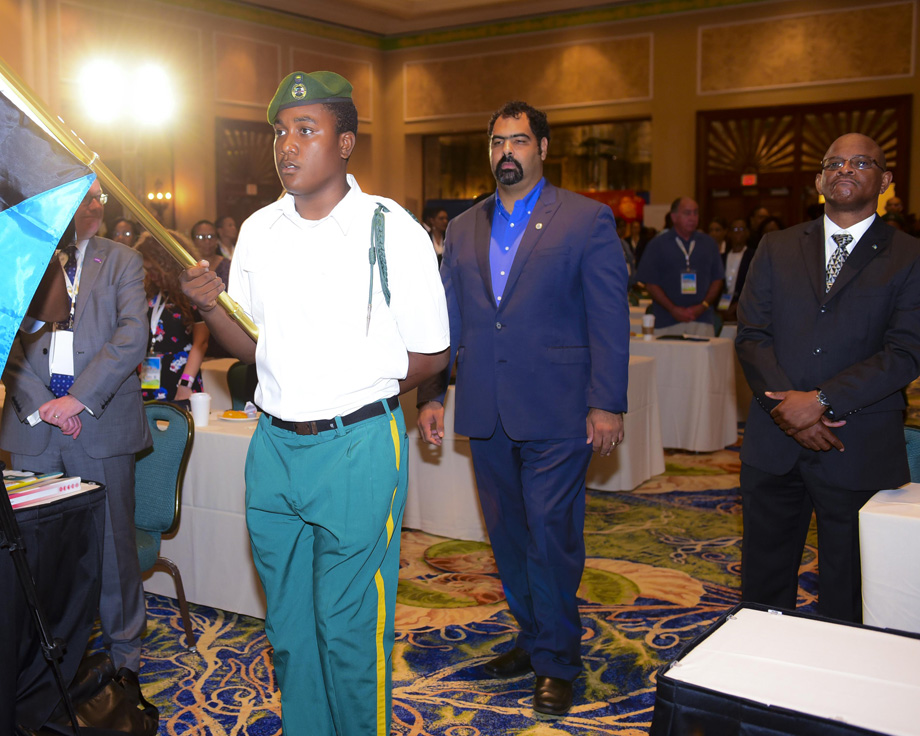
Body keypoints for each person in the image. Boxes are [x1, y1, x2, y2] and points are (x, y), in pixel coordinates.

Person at [180, 70, 449, 736]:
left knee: (349, 628)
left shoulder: (391, 229)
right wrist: (211, 306)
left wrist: (353, 385)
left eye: (306, 129)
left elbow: (433, 353)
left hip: (357, 445)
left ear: (345, 142)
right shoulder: (261, 230)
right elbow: (250, 347)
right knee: (290, 629)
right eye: (280, 131)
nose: (288, 145)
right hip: (273, 447)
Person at [417, 100, 629, 717]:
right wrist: (433, 393)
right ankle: (532, 637)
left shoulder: (585, 219)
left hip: (559, 412)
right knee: (507, 538)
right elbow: (449, 320)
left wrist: (607, 403)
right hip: (486, 410)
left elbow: (608, 317)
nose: (505, 151)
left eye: (518, 140)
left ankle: (557, 660)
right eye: (497, 142)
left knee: (550, 535)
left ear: (542, 148)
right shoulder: (463, 228)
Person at [735, 133, 920, 623]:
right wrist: (788, 411)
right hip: (774, 442)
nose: (845, 169)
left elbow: (906, 351)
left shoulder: (909, 255)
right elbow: (752, 335)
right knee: (763, 586)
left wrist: (820, 400)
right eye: (834, 163)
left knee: (851, 589)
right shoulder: (775, 247)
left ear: (885, 180)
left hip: (857, 444)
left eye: (861, 162)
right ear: (819, 181)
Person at [0, 179, 151, 674]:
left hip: (100, 423)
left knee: (112, 548)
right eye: (81, 196)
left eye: (98, 197)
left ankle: (125, 657)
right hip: (33, 425)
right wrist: (44, 404)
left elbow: (133, 336)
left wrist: (76, 399)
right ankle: (41, 662)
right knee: (34, 552)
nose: (93, 205)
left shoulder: (122, 260)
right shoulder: (22, 257)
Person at [136, 230, 209, 402]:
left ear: (168, 264)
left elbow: (201, 343)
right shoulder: (150, 291)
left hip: (182, 377)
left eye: (155, 269)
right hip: (149, 376)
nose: (151, 275)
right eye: (148, 270)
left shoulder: (193, 292)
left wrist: (185, 384)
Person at [636, 197, 724, 337]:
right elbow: (651, 284)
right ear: (674, 217)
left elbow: (717, 279)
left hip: (702, 319)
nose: (692, 218)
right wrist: (673, 309)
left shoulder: (708, 244)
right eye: (687, 213)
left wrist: (703, 306)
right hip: (666, 320)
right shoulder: (657, 244)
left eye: (695, 213)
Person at [720, 217, 750, 321]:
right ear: (729, 233)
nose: (738, 233)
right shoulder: (722, 258)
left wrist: (737, 305)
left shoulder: (753, 256)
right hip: (724, 305)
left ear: (747, 233)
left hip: (745, 307)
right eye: (735, 229)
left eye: (741, 229)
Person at [190, 219, 231, 288]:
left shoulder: (227, 266)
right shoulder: (188, 266)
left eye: (211, 236)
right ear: (193, 240)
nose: (207, 241)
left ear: (217, 240)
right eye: (201, 237)